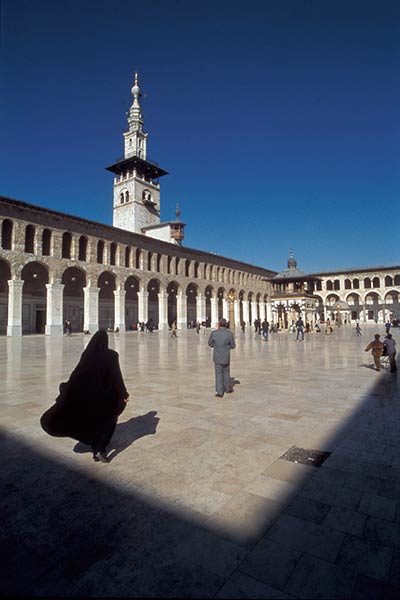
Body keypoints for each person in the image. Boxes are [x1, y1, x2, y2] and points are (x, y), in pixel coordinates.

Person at [40, 330, 129, 463]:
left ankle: (92, 441)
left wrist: (66, 389)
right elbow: (117, 378)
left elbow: (76, 375)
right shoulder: (111, 356)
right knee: (111, 417)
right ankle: (100, 448)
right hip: (104, 398)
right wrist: (124, 394)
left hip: (88, 397)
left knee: (89, 418)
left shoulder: (87, 355)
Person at [208, 318, 236, 398]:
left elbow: (210, 343)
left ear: (219, 324)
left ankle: (219, 392)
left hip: (217, 356)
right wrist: (227, 348)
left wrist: (216, 346)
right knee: (226, 372)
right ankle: (228, 389)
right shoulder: (229, 334)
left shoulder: (214, 333)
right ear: (226, 324)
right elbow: (233, 345)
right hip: (226, 356)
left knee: (218, 374)